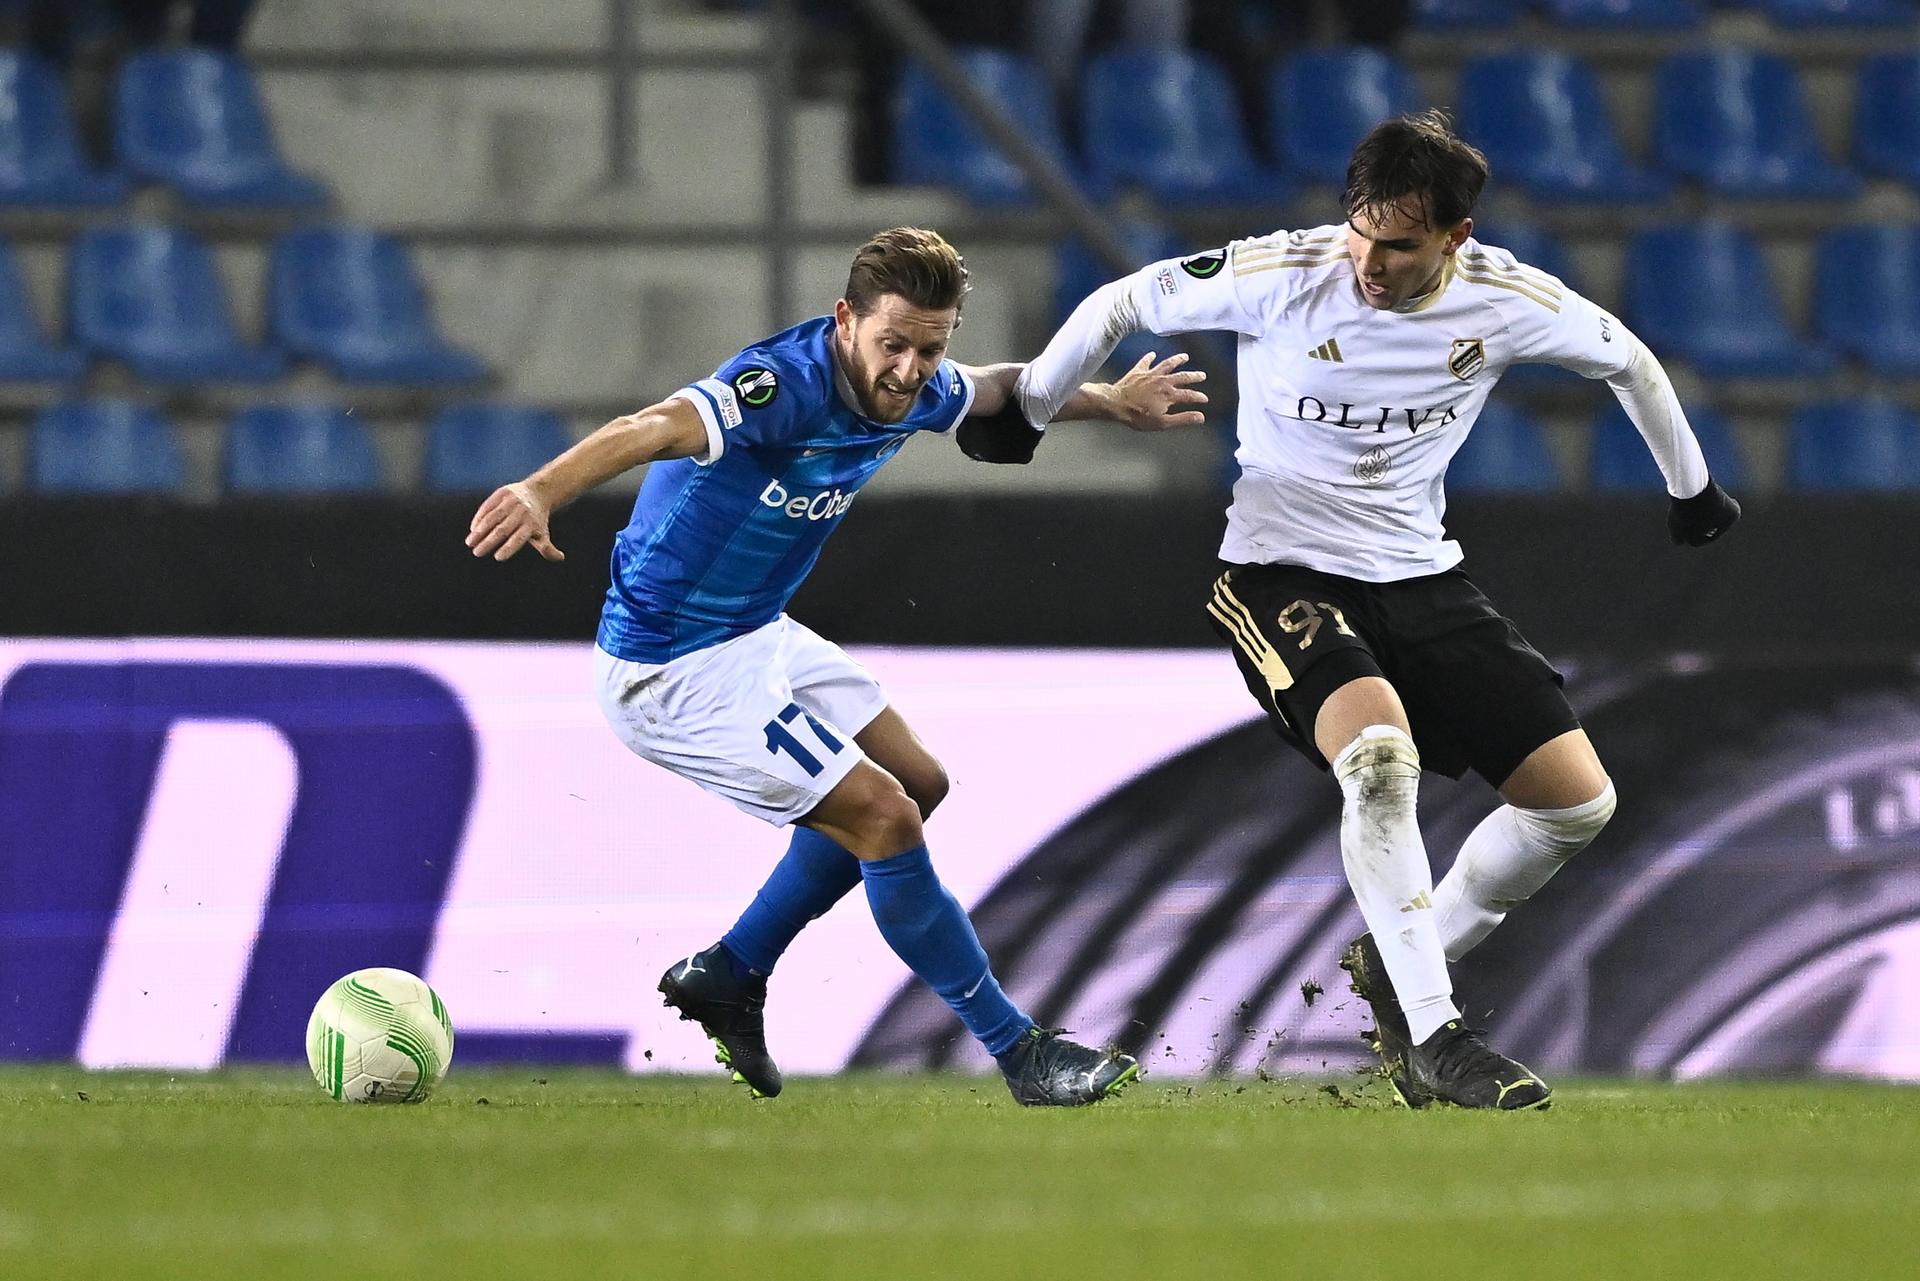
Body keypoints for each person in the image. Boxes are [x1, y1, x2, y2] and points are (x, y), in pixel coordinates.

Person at [1000, 111, 1741, 1109]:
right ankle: (1436, 1035)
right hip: (1280, 572)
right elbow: (1121, 299)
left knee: (1576, 805)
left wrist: (1693, 491)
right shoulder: (1284, 272)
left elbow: (1631, 362)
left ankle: (1399, 967)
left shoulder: (1508, 300)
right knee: (1381, 765)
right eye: (1360, 233)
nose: (1370, 263)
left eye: (1398, 246)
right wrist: (1030, 408)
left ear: (1456, 238)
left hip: (1421, 578)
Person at [465, 226, 1206, 1106]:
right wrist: (542, 488)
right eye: (893, 344)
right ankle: (1021, 1053)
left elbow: (1002, 390)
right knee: (884, 817)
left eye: (930, 348)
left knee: (918, 783)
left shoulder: (918, 385)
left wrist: (1109, 399)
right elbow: (652, 425)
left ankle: (731, 970)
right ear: (846, 319)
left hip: (753, 631)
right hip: (669, 663)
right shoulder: (781, 385)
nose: (909, 369)